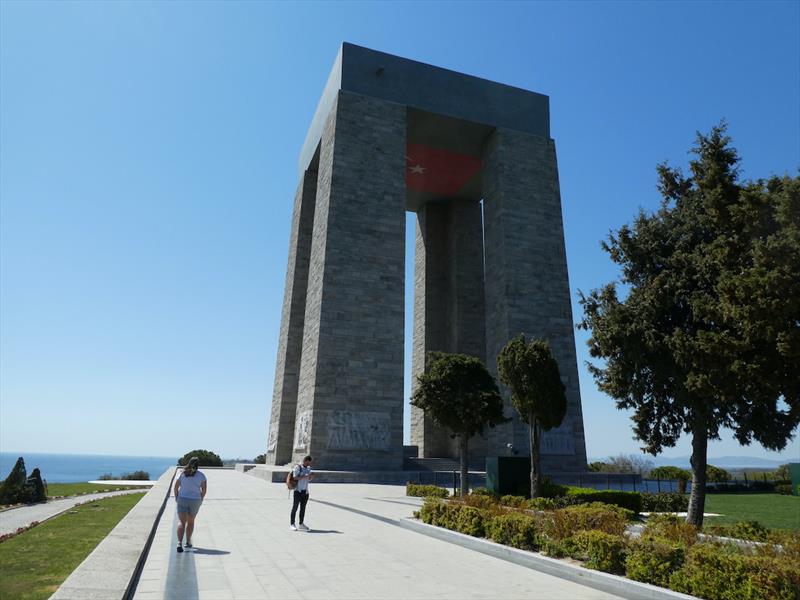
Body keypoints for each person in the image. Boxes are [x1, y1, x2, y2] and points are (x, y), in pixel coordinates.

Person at [174, 456, 207, 552]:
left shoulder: (182, 473)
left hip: (182, 499)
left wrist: (176, 497)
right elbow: (204, 489)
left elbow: (176, 487)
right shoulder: (201, 475)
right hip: (195, 501)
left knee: (181, 522)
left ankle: (179, 543)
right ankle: (188, 541)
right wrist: (201, 499)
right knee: (191, 521)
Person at [289, 455, 313, 531]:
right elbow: (295, 477)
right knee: (295, 508)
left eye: (309, 463)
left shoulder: (309, 468)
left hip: (305, 491)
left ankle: (301, 524)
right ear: (305, 461)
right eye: (308, 463)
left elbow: (309, 480)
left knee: (303, 508)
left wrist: (311, 477)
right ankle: (292, 524)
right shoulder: (298, 467)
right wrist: (304, 476)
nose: (309, 464)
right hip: (297, 491)